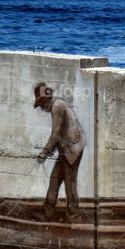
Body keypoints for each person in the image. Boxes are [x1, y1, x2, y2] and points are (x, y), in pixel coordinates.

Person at [33, 82, 86, 220]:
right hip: (65, 149)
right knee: (55, 179)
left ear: (46, 100)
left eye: (41, 103)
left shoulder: (57, 106)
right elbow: (60, 134)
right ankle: (48, 213)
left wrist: (44, 152)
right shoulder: (56, 106)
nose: (42, 108)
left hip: (73, 149)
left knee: (70, 182)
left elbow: (56, 134)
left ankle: (73, 215)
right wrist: (49, 151)